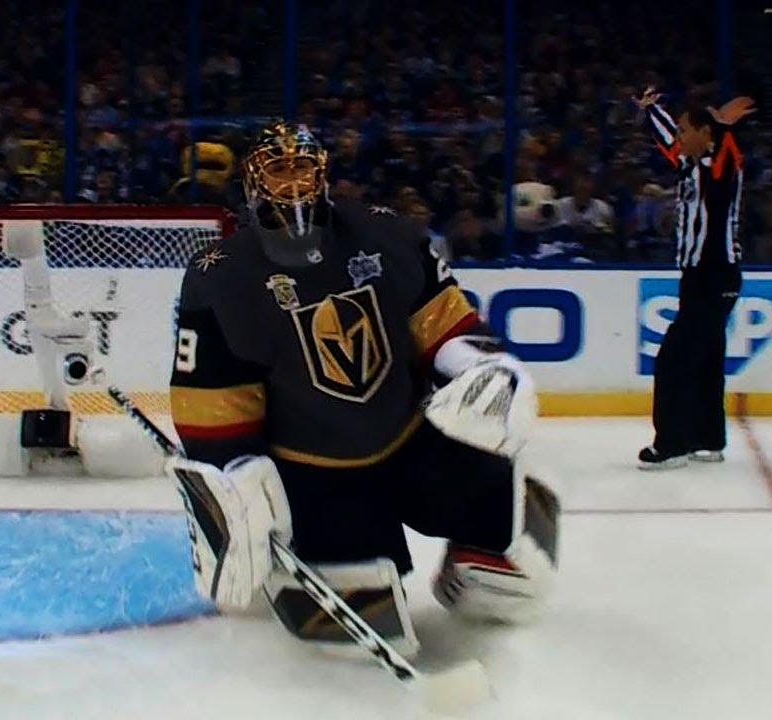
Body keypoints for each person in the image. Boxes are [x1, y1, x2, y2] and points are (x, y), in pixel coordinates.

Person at [167, 121, 561, 655]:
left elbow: (443, 323)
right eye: (279, 170)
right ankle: (309, 556)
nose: (293, 182)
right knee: (362, 622)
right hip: (315, 477)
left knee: (520, 571)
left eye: (303, 168)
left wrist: (481, 366)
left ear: (323, 173)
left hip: (410, 441)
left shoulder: (384, 233)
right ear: (255, 181)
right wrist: (235, 478)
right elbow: (212, 403)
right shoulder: (220, 277)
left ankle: (468, 564)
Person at [634, 88, 756, 470]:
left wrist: (724, 128)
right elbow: (668, 139)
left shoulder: (720, 167)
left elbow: (727, 157)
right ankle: (708, 438)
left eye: (686, 130)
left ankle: (672, 444)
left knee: (673, 360)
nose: (680, 137)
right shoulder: (688, 164)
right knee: (705, 359)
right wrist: (652, 109)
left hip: (714, 276)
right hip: (698, 279)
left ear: (705, 133)